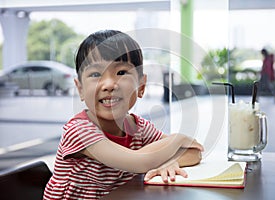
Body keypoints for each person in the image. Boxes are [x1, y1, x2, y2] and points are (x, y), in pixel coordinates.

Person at [43, 30, 204, 199]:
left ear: (141, 86)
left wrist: (171, 162)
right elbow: (140, 162)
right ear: (80, 89)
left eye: (121, 73)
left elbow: (194, 151)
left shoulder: (138, 128)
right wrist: (177, 139)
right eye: (96, 74)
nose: (109, 84)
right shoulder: (79, 131)